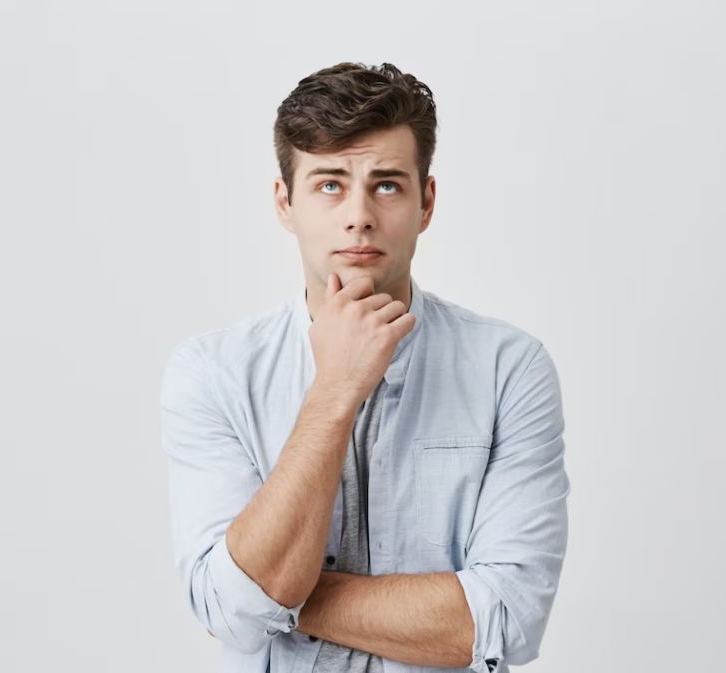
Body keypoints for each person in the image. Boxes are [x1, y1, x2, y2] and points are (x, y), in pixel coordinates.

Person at [160, 62, 570, 673]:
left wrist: (275, 594)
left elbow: (503, 622)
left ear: (425, 201)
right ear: (285, 202)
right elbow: (231, 614)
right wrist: (336, 389)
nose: (359, 216)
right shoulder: (213, 373)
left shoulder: (508, 369)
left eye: (386, 184)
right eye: (329, 184)